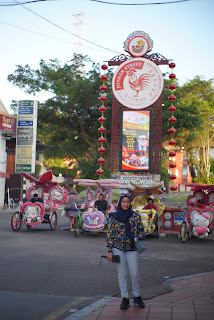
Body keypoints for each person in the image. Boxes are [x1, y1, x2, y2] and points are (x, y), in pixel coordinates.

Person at [106, 194, 145, 310]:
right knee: (121, 274)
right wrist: (109, 251)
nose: (125, 204)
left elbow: (142, 232)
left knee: (135, 273)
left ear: (130, 203)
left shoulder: (135, 216)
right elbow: (110, 234)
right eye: (123, 202)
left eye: (128, 202)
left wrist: (134, 239)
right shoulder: (114, 217)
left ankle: (137, 296)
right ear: (120, 203)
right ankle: (125, 298)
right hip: (117, 248)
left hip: (132, 248)